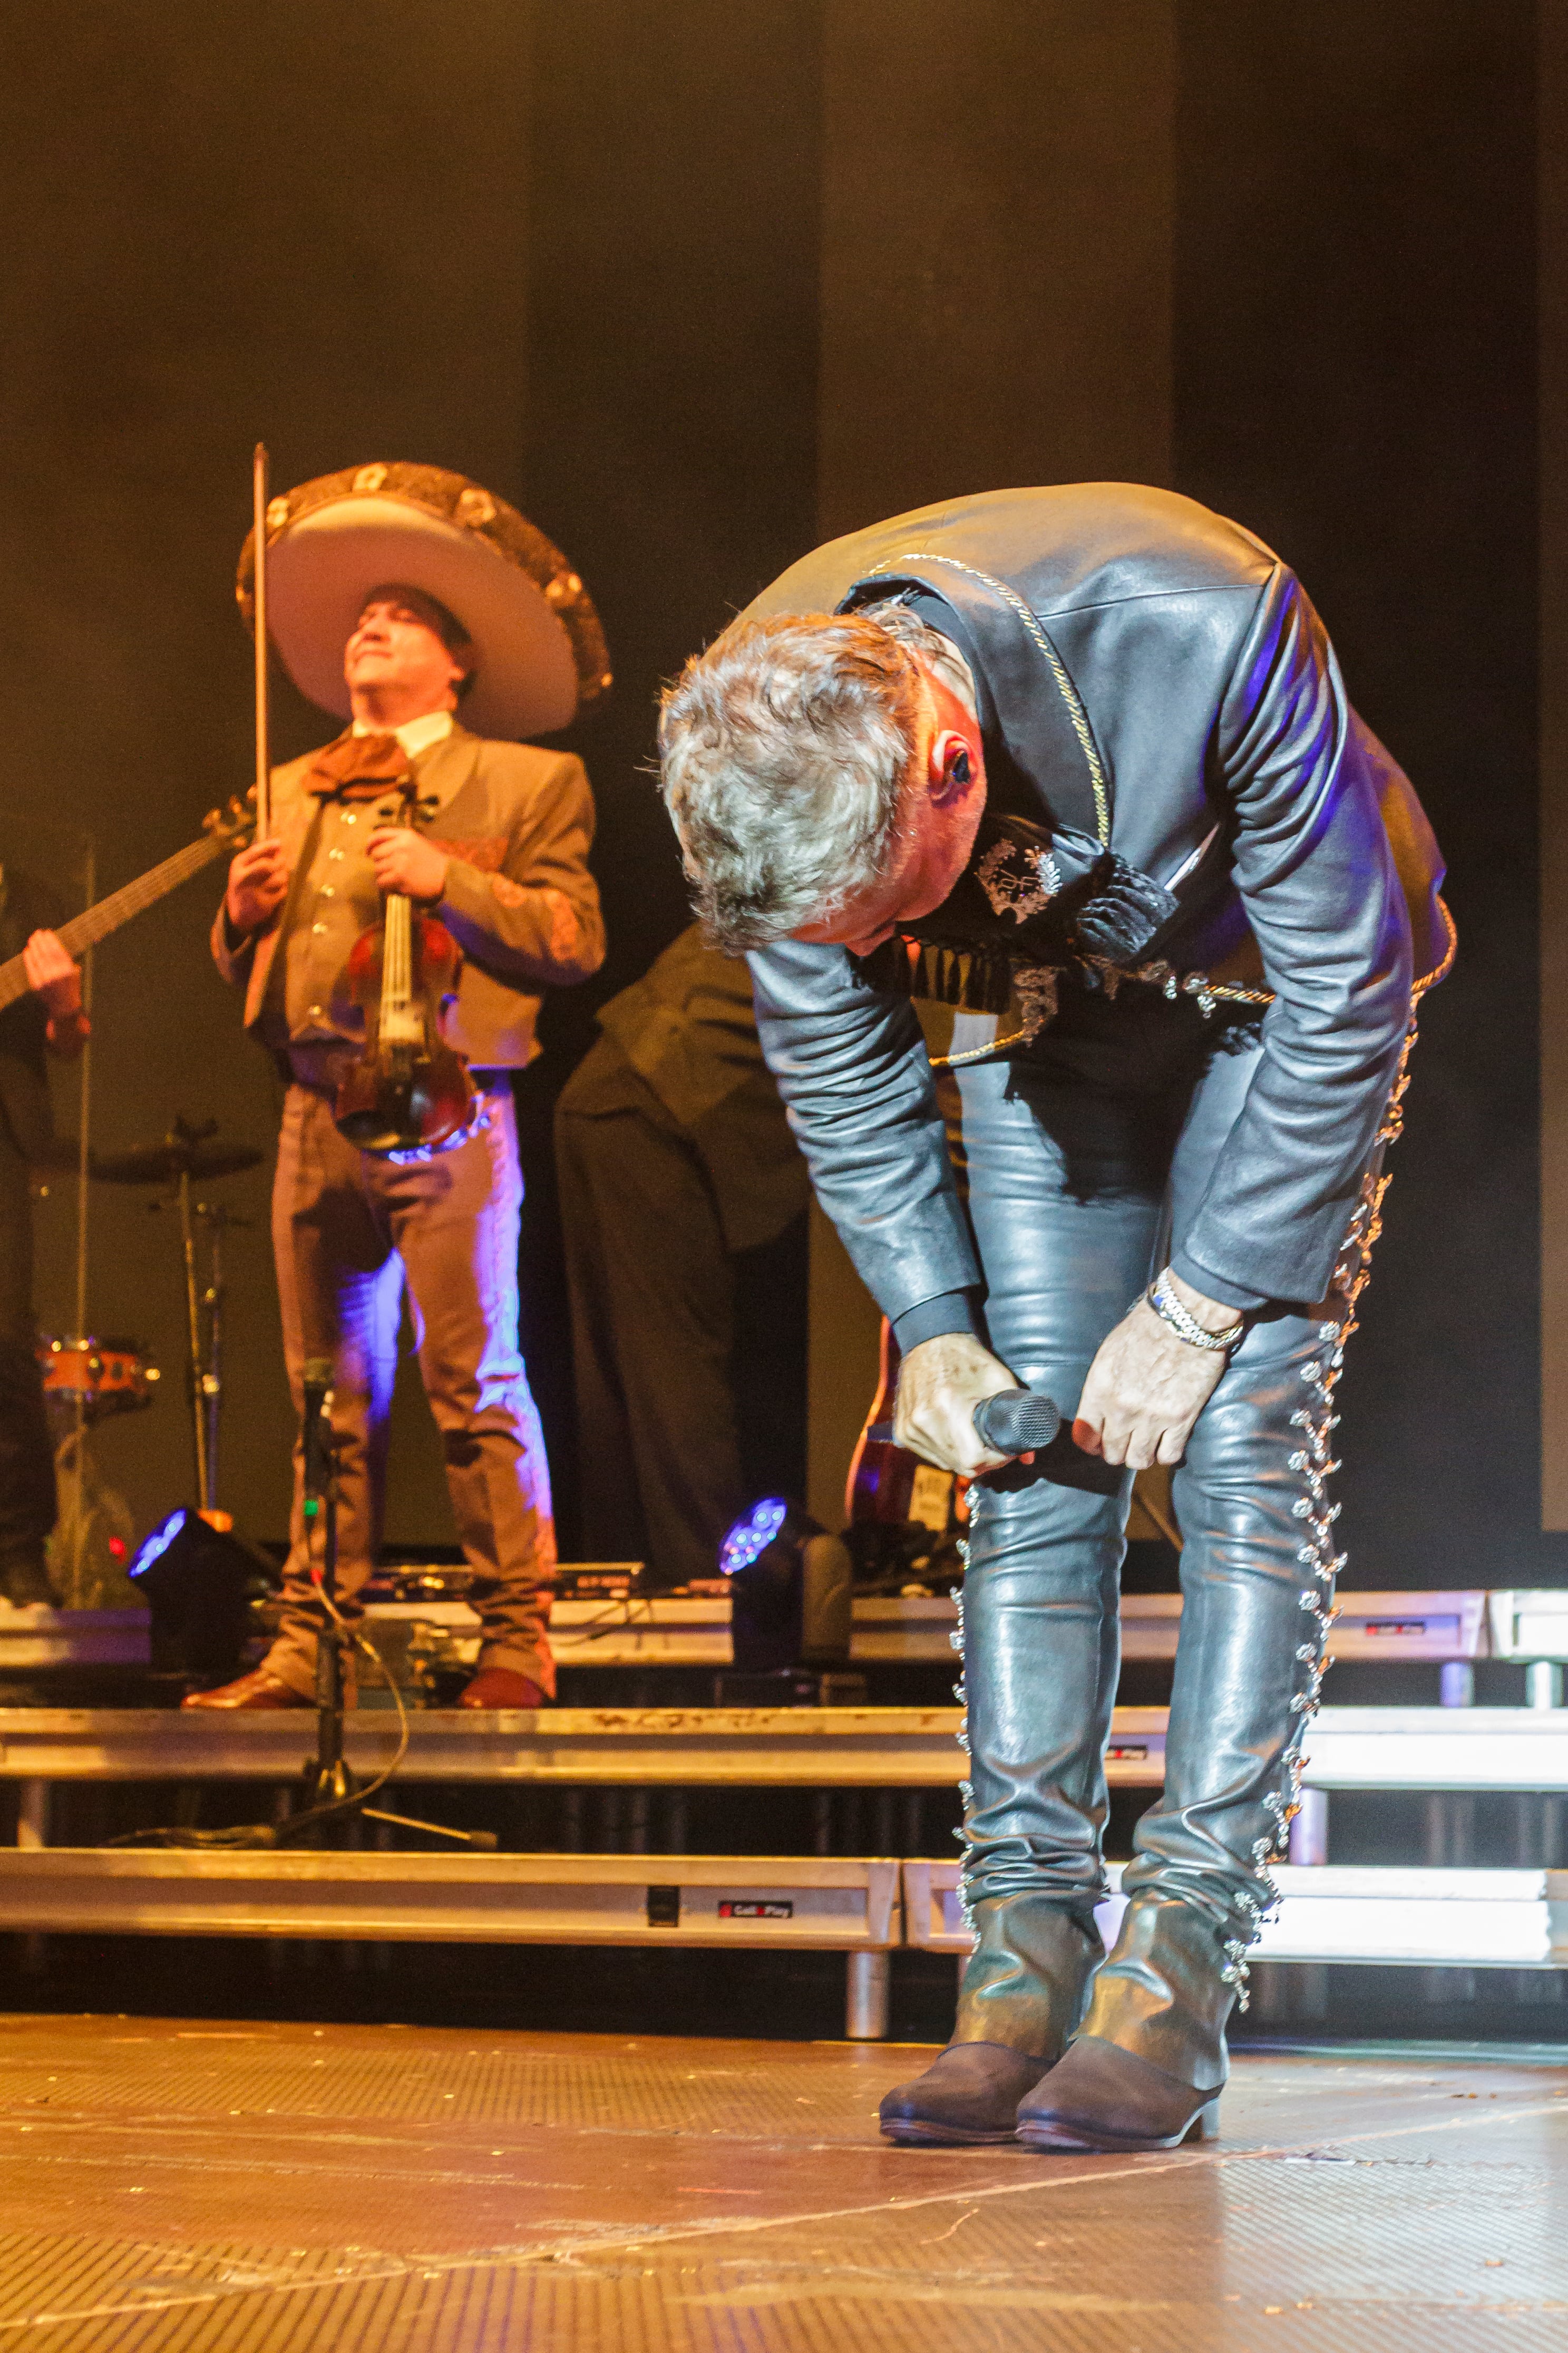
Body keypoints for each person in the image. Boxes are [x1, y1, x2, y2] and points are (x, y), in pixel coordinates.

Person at [658, 483, 1452, 2152]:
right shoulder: (768, 740)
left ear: (947, 758)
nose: (861, 951)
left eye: (879, 914)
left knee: (1234, 1437)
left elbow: (1342, 986)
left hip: (1279, 999)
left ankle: (1174, 1964)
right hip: (1042, 1016)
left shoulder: (1196, 616)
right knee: (1023, 1451)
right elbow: (833, 1054)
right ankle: (1017, 1964)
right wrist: (931, 1322)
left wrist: (1206, 1290)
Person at [188, 462, 610, 1713]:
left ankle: (516, 1639)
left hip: (453, 1111)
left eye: (403, 616)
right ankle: (311, 1637)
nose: (371, 627)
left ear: (458, 659)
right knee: (323, 1389)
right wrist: (237, 917)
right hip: (313, 1115)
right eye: (363, 617)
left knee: (472, 1380)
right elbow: (259, 982)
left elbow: (574, 938)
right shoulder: (291, 785)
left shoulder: (529, 782)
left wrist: (446, 877)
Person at [555, 924, 809, 1588]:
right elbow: (940, 1101)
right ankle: (704, 1588)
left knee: (631, 1381)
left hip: (620, 1095)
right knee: (669, 1370)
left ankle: (636, 1591)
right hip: (646, 1101)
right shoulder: (894, 894)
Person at [0, 875, 89, 1604]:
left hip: (2, 1141)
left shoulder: (30, 904)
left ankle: (17, 1548)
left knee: (4, 1339)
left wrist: (65, 1007)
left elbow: (67, 1043)